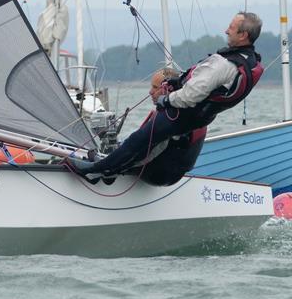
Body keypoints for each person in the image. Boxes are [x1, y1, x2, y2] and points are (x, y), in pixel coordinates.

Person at [67, 12, 264, 180]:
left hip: (182, 113)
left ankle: (98, 170)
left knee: (139, 140)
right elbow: (208, 87)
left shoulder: (224, 64)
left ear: (243, 35)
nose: (226, 30)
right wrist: (176, 83)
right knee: (144, 143)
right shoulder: (251, 61)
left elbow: (191, 94)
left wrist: (166, 99)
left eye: (231, 27)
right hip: (198, 117)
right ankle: (113, 165)